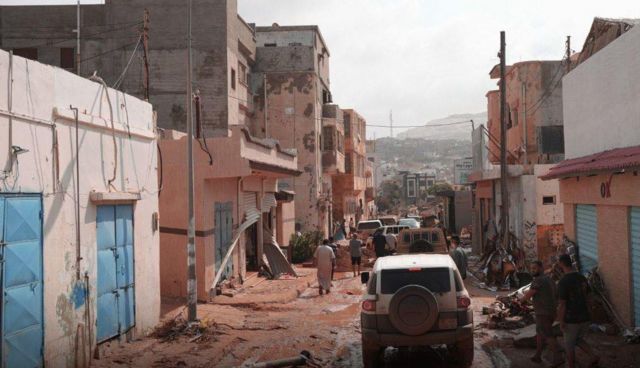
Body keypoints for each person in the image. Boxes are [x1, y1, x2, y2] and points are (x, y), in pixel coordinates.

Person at [556, 254, 599, 368]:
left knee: (569, 345)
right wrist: (591, 313)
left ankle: (571, 365)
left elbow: (562, 304)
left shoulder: (563, 281)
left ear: (561, 264)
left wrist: (561, 321)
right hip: (584, 316)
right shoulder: (581, 278)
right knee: (578, 339)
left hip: (571, 319)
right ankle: (594, 355)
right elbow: (590, 297)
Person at [519, 260, 562, 366]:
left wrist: (521, 300)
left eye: (535, 268)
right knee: (540, 334)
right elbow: (556, 294)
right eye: (531, 268)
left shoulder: (538, 280)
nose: (532, 270)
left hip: (543, 312)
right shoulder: (549, 279)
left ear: (541, 268)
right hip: (551, 311)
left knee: (548, 335)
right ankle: (538, 355)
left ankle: (558, 358)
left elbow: (529, 294)